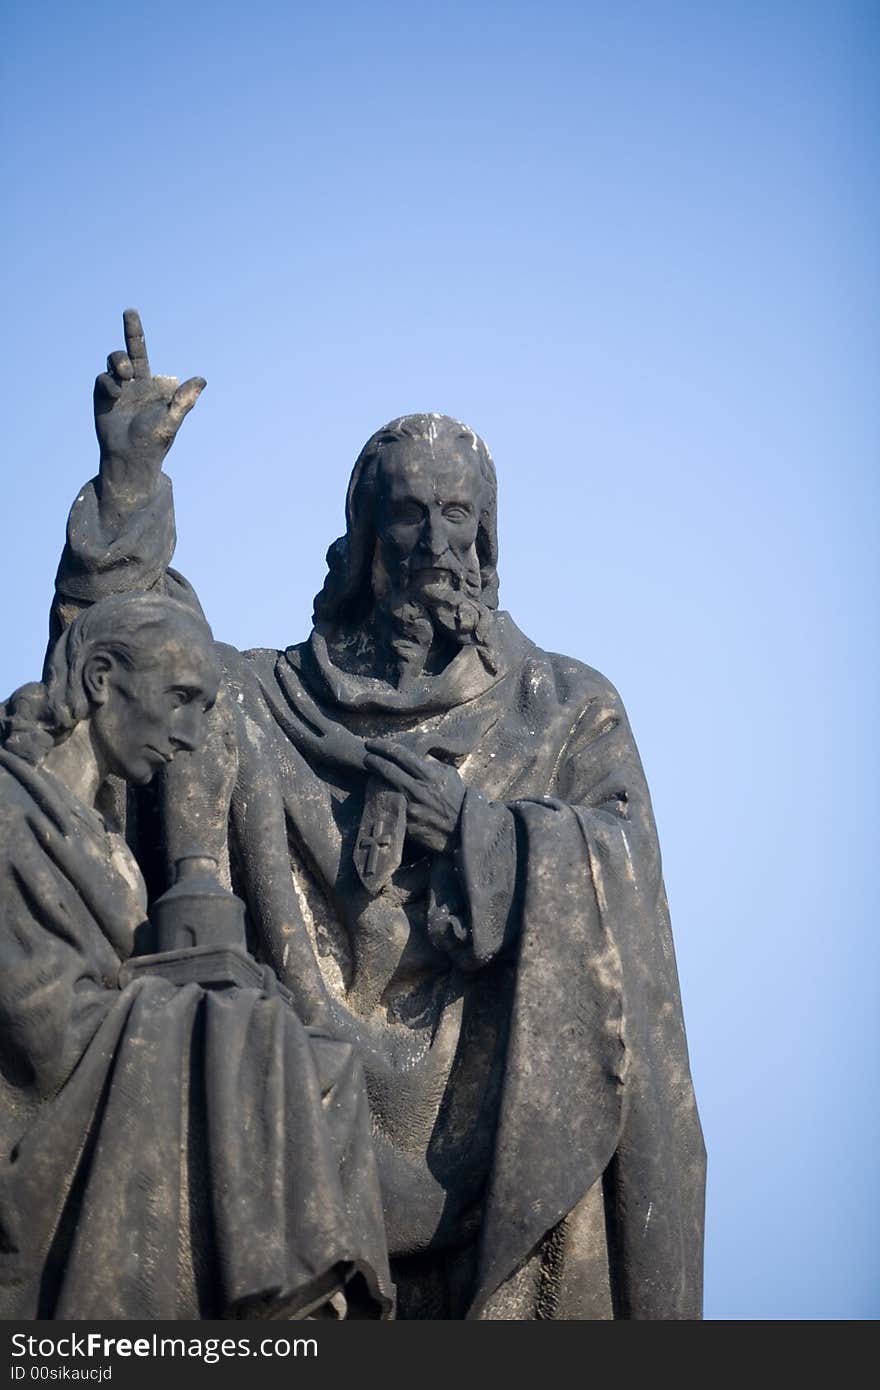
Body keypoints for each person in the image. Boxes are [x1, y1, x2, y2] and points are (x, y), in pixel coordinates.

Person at [50, 310, 705, 1319]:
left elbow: (622, 898)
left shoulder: (567, 710)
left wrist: (484, 833)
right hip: (300, 1097)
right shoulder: (263, 702)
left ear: (487, 539)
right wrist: (130, 491)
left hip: (504, 1118)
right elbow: (130, 673)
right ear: (364, 538)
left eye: (457, 515)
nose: (434, 543)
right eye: (407, 514)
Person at [0, 592, 392, 1320]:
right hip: (37, 1116)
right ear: (99, 678)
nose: (186, 735)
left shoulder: (107, 841)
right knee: (255, 1035)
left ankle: (309, 1305)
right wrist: (216, 1020)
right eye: (179, 699)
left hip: (108, 1062)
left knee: (321, 1066)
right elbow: (39, 1022)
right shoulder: (11, 811)